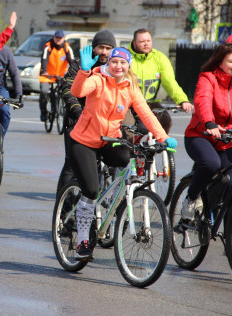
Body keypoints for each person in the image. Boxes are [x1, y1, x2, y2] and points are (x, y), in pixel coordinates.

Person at [69, 46, 177, 260]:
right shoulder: (98, 79)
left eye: (123, 63)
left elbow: (145, 113)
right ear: (109, 63)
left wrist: (162, 137)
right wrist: (83, 71)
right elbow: (78, 92)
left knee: (125, 158)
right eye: (114, 62)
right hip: (84, 141)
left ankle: (112, 202)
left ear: (129, 66)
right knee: (90, 190)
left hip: (110, 140)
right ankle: (82, 238)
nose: (118, 66)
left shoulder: (130, 86)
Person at [183, 43, 232, 254]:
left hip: (228, 139)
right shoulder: (208, 78)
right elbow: (203, 100)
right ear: (220, 63)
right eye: (231, 61)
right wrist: (209, 123)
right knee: (211, 163)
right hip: (201, 135)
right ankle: (191, 198)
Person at [57, 29, 117, 193]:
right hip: (77, 120)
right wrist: (78, 111)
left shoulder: (115, 67)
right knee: (71, 164)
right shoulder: (79, 63)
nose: (104, 52)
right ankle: (63, 206)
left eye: (108, 48)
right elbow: (68, 89)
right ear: (94, 48)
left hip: (102, 122)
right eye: (100, 47)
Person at [129, 28, 193, 133]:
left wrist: (182, 100)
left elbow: (170, 82)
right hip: (130, 104)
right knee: (131, 129)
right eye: (142, 42)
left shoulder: (159, 58)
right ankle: (133, 148)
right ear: (134, 43)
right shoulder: (127, 58)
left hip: (151, 102)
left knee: (165, 121)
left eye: (148, 41)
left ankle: (155, 147)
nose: (146, 44)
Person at [39, 29, 74, 121]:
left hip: (60, 75)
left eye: (60, 38)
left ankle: (62, 108)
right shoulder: (48, 47)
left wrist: (74, 72)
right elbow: (44, 59)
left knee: (66, 91)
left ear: (63, 39)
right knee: (44, 91)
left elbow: (72, 61)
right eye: (56, 37)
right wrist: (44, 71)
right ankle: (43, 111)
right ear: (53, 38)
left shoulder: (67, 48)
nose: (58, 39)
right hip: (47, 75)